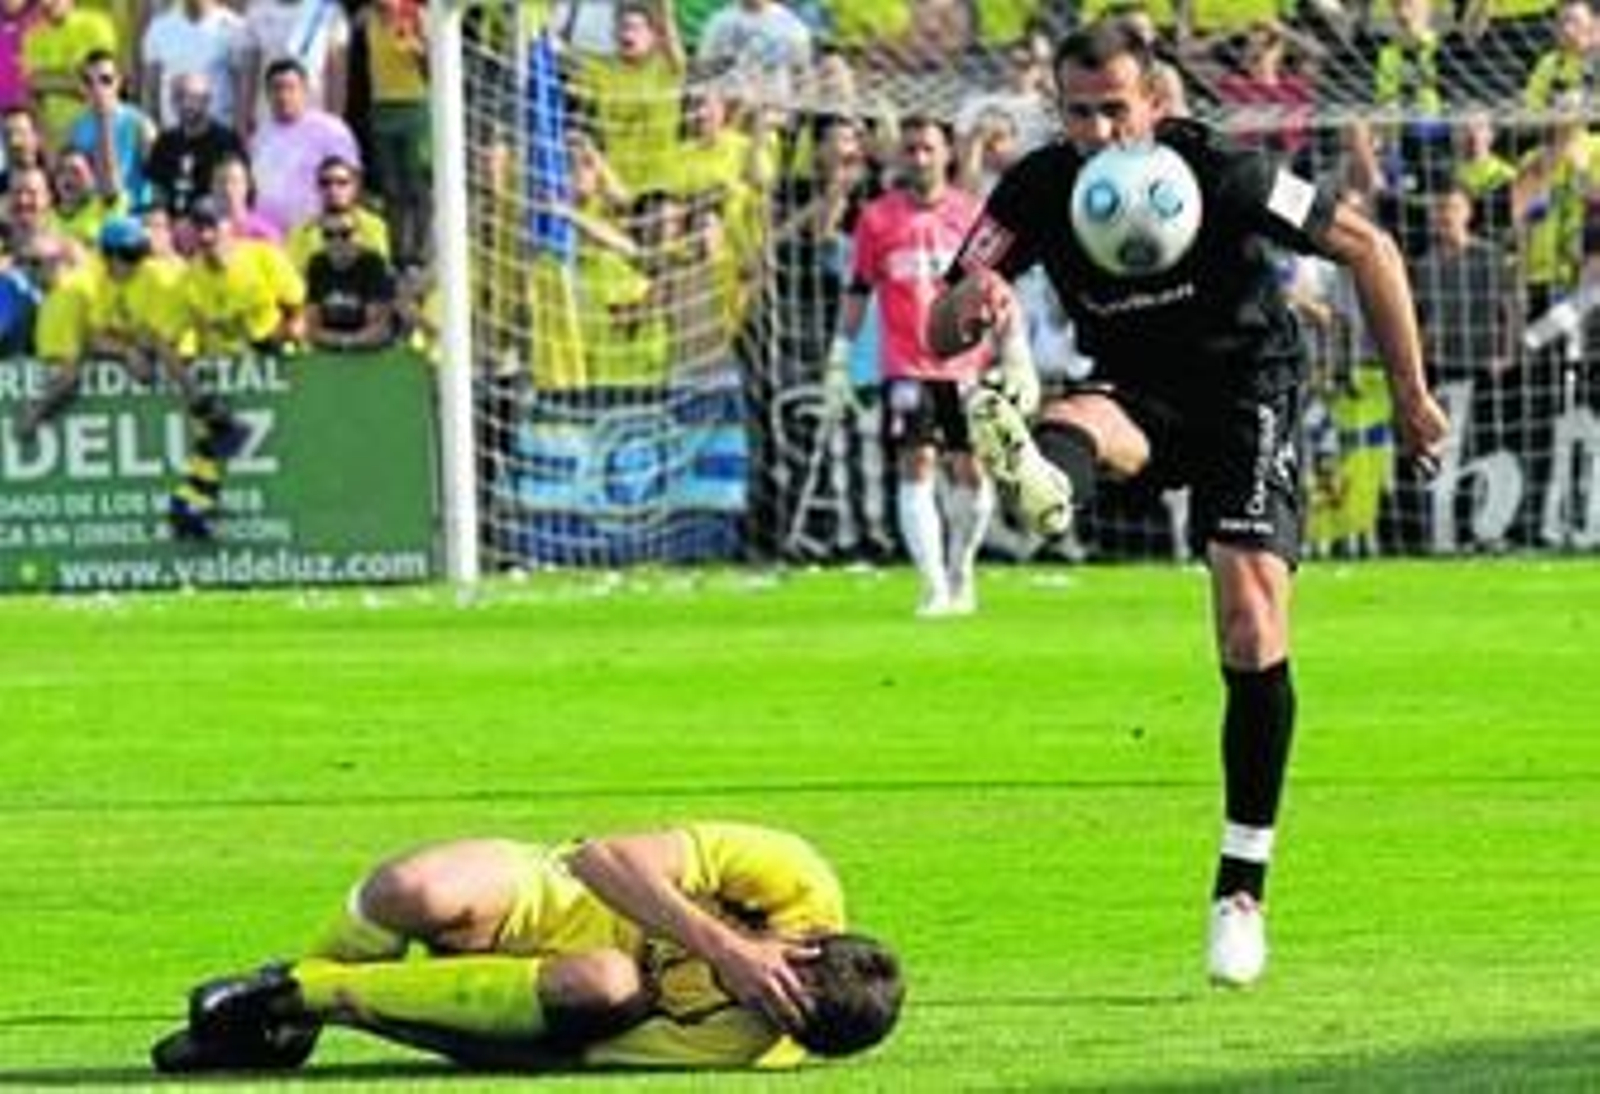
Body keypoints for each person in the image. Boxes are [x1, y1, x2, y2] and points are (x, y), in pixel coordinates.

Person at [927, 19, 1450, 986]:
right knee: (1081, 421)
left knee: (1251, 624)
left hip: (1249, 388)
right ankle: (1042, 482)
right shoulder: (1041, 187)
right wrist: (981, 304)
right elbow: (945, 310)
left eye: (1112, 110)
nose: (1094, 130)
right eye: (1077, 112)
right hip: (1135, 392)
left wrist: (1414, 399)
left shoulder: (1225, 173)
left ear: (1154, 104)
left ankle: (1240, 887)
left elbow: (1368, 247)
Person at [150, 820, 903, 1074]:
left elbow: (550, 1058)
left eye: (771, 1016)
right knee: (408, 888)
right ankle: (288, 1026)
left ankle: (296, 996)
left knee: (609, 982)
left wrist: (378, 1017)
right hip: (562, 896)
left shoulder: (734, 1042)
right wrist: (726, 947)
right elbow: (598, 860)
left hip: (544, 993)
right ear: (801, 942)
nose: (752, 1001)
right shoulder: (793, 875)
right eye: (764, 986)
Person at [836, 114, 993, 617]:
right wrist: (841, 352)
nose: (919, 158)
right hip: (905, 365)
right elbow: (859, 288)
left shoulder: (972, 215)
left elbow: (993, 288)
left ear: (947, 152)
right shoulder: (877, 218)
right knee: (917, 462)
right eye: (910, 149)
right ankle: (932, 587)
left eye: (928, 148)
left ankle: (961, 569)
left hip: (965, 365)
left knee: (970, 471)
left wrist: (1009, 351)